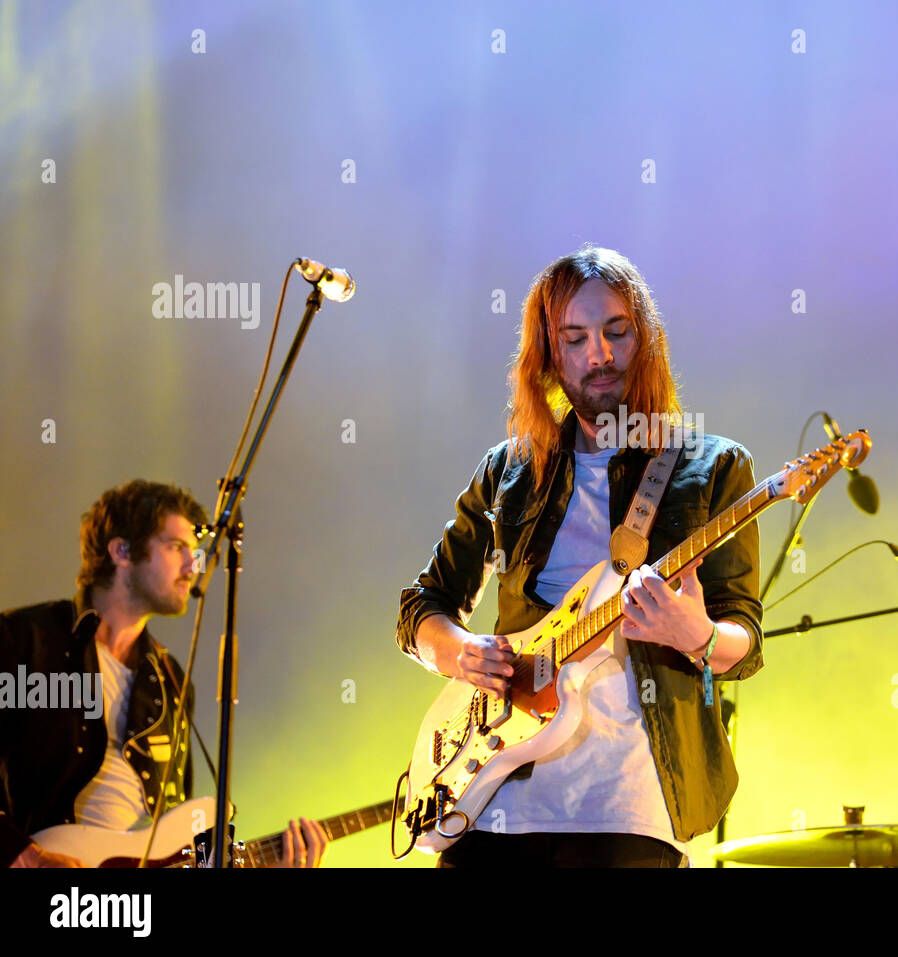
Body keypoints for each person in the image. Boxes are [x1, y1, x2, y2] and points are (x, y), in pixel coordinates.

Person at [396, 245, 763, 867]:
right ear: (548, 355)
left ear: (644, 339)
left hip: (630, 808)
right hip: (492, 803)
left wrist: (696, 634)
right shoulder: (510, 470)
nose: (599, 354)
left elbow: (746, 639)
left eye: (616, 332)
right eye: (575, 338)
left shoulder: (712, 468)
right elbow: (422, 606)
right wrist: (460, 652)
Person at [1, 479, 328, 867]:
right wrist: (26, 857)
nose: (194, 564)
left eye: (194, 549)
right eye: (176, 547)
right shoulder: (26, 642)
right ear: (121, 551)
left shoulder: (171, 682)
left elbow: (177, 840)